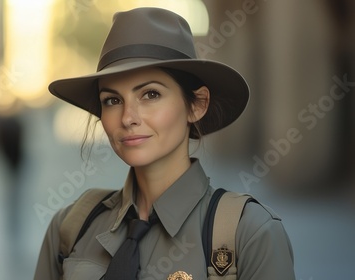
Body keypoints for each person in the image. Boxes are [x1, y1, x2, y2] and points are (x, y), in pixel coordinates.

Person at [35, 7, 295, 280]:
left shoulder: (249, 233)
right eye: (112, 100)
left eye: (150, 94)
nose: (128, 118)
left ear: (197, 105)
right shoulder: (72, 226)